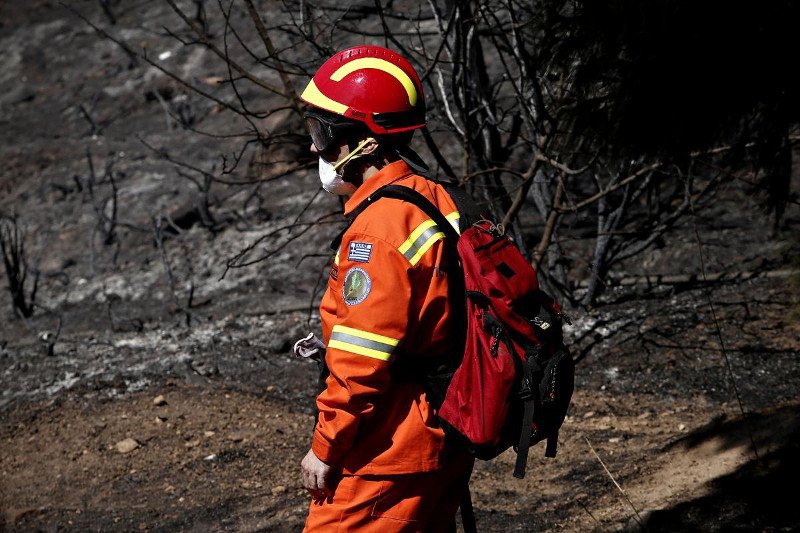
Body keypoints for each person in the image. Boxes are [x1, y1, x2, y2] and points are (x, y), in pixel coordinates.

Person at [297, 45, 474, 532]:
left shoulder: (377, 231)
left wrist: (325, 447)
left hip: (389, 450)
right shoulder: (436, 199)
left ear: (368, 144)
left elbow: (361, 361)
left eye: (322, 134)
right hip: (444, 430)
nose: (313, 149)